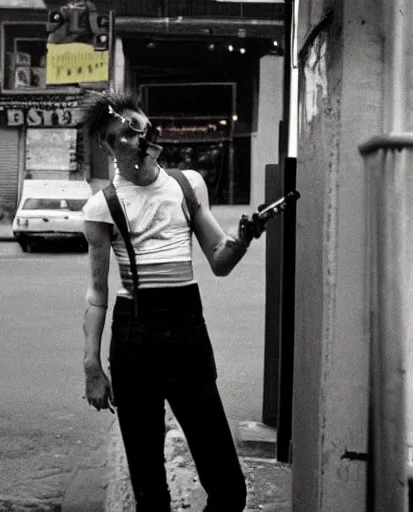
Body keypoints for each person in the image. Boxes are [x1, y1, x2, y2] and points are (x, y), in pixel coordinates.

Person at [81, 90, 258, 512]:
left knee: (229, 489)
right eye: (114, 136)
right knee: (150, 492)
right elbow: (97, 293)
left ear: (147, 124)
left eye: (132, 127)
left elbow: (219, 260)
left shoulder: (186, 183)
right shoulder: (101, 207)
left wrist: (243, 239)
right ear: (106, 147)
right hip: (133, 341)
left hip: (187, 337)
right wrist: (92, 366)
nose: (127, 139)